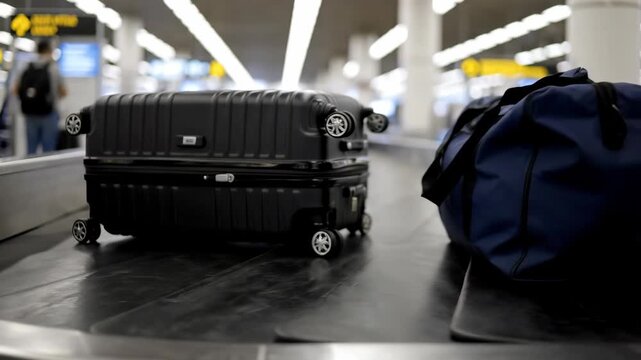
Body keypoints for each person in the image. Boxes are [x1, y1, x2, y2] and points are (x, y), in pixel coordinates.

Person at [12, 39, 68, 155]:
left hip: (30, 114)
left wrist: (30, 99)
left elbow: (15, 90)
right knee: (48, 150)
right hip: (48, 113)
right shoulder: (53, 68)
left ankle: (29, 172)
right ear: (49, 50)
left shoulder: (27, 67)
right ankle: (47, 173)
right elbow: (63, 92)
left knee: (31, 149)